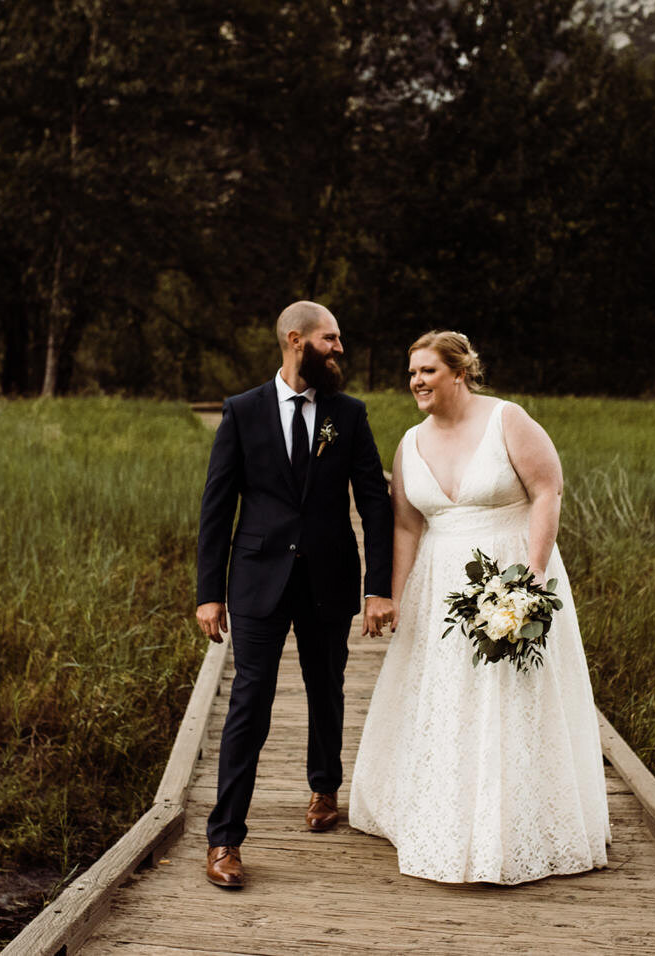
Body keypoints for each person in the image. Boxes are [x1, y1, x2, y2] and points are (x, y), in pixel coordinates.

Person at [349, 330, 610, 884]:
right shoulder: (409, 443)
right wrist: (391, 596)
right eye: (412, 372)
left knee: (511, 698)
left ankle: (513, 824)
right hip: (439, 585)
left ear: (459, 372)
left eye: (428, 371)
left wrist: (531, 581)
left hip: (511, 572)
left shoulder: (506, 420)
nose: (416, 381)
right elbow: (405, 525)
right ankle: (444, 812)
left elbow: (548, 491)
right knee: (449, 700)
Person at [195, 301, 394, 888]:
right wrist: (210, 593)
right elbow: (217, 506)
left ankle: (324, 786)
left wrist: (377, 586)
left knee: (326, 684)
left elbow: (375, 504)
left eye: (339, 340)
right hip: (256, 578)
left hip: (329, 577)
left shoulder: (348, 415)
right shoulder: (243, 411)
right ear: (295, 339)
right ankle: (224, 839)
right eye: (330, 339)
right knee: (249, 703)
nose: (339, 349)